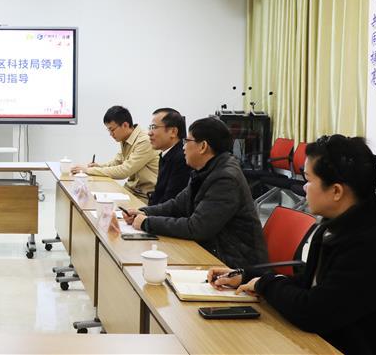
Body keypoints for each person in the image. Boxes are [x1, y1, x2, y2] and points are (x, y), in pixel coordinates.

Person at [207, 135, 376, 355]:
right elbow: (313, 285)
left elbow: (313, 312)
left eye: (309, 180)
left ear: (336, 191)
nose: (304, 188)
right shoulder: (342, 226)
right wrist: (248, 276)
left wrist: (265, 284)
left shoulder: (373, 243)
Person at [124, 117, 267, 268]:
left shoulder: (225, 179)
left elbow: (197, 228)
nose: (183, 147)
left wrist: (147, 223)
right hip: (215, 249)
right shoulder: (206, 169)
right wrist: (144, 212)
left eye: (187, 141)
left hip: (235, 263)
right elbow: (177, 205)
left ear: (203, 146)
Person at [72, 105, 159, 200]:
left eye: (112, 129)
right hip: (131, 191)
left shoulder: (145, 141)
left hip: (145, 197)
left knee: (99, 203)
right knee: (94, 198)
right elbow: (116, 163)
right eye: (108, 130)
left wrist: (87, 170)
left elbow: (124, 171)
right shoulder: (126, 139)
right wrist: (98, 167)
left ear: (125, 125)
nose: (110, 134)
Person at [146, 107, 191, 206]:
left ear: (173, 132)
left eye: (154, 127)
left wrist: (146, 213)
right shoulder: (166, 154)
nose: (149, 133)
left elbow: (171, 201)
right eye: (150, 127)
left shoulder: (182, 158)